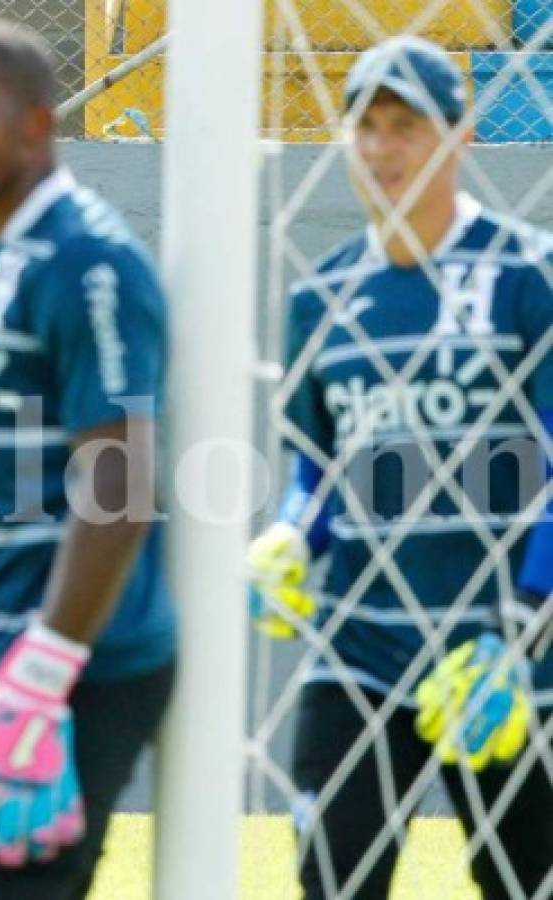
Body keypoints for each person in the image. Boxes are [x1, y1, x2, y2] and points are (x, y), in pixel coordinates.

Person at [246, 36, 552, 899]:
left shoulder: (528, 275)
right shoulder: (321, 297)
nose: (382, 148)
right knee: (333, 882)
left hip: (501, 655)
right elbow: (320, 474)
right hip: (360, 647)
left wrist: (522, 630)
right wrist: (289, 541)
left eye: (407, 126)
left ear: (460, 136)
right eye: (367, 126)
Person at [0, 19, 177, 899]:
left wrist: (42, 672)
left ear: (35, 123)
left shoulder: (84, 259)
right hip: (7, 654)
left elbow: (119, 482)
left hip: (67, 669)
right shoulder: (2, 254)